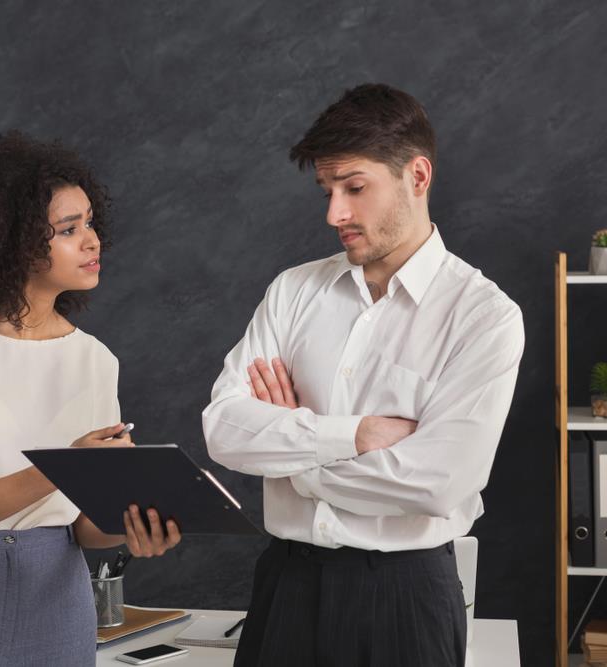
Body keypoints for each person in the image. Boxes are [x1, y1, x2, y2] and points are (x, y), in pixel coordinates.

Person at [202, 84, 524, 666]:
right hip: (286, 589)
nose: (334, 214)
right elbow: (224, 429)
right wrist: (352, 437)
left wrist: (292, 456)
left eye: (354, 188)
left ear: (417, 176)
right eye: (327, 191)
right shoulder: (293, 291)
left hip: (406, 598)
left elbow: (438, 483)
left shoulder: (484, 317)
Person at [0, 130, 181, 666]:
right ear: (14, 242)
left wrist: (134, 529)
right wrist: (71, 466)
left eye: (90, 223)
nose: (92, 241)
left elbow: (86, 529)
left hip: (58, 595)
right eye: (69, 229)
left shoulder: (95, 359)